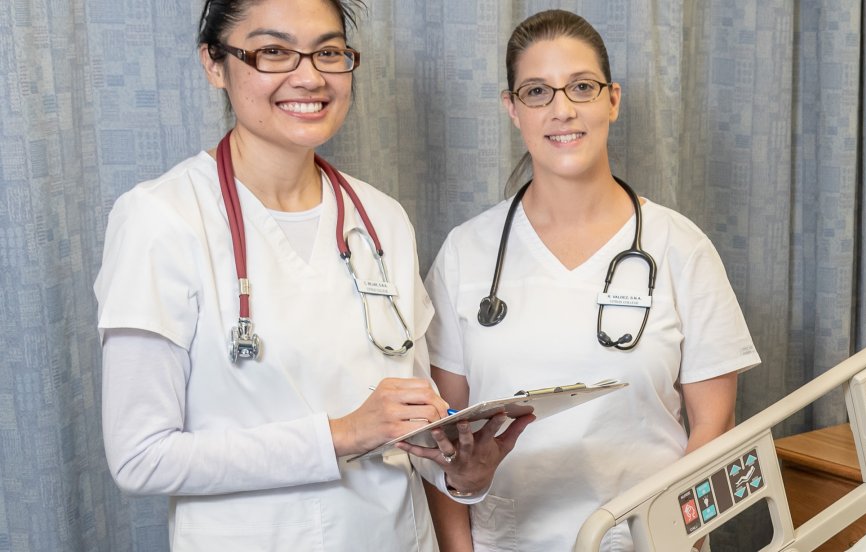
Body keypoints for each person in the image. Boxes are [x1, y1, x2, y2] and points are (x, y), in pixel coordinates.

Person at [95, 0, 523, 549]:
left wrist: (464, 472)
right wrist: (341, 434)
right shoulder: (161, 219)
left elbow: (414, 427)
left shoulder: (382, 219)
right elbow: (140, 458)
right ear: (214, 63)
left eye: (328, 52)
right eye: (273, 51)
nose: (310, 76)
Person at [421, 9, 762, 551]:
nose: (562, 110)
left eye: (581, 87)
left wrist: (680, 542)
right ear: (512, 109)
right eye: (537, 91)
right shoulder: (467, 252)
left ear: (613, 100)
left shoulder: (680, 248)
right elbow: (442, 438)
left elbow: (712, 431)